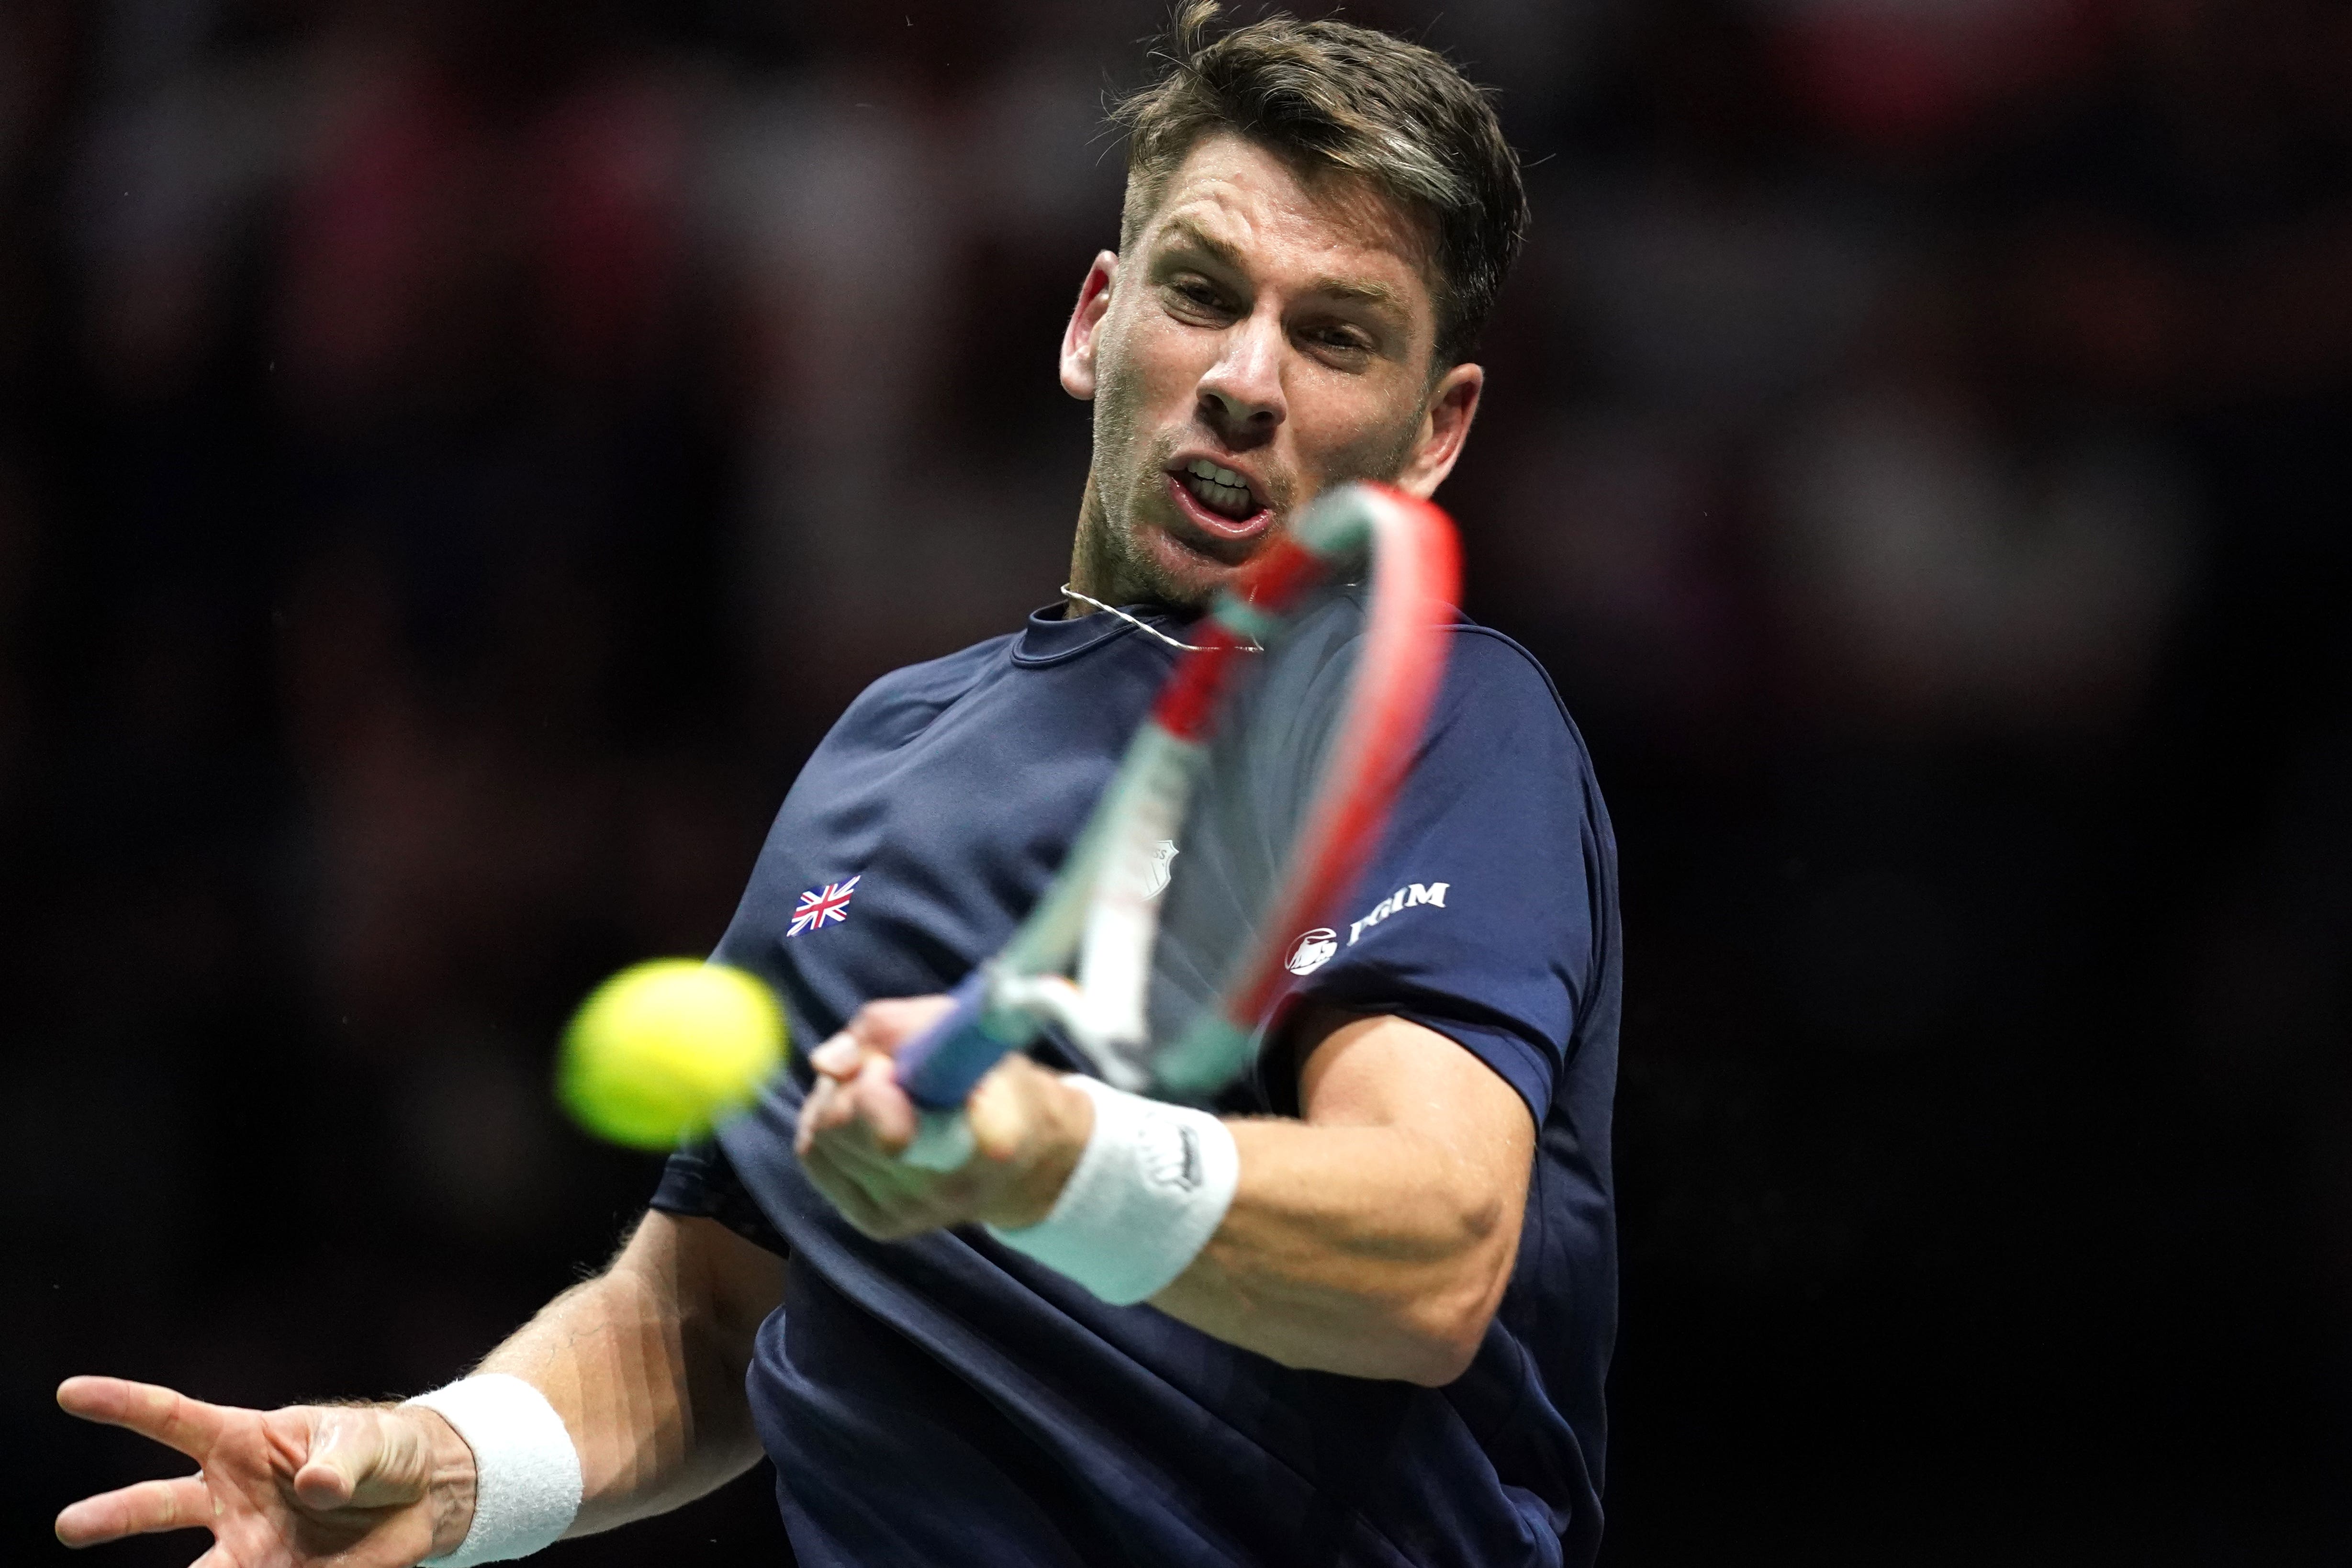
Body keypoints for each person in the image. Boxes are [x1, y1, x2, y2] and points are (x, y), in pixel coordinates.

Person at [53, 7, 1623, 1566]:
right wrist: (452, 1463)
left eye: (1335, 334)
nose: (1244, 379)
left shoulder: (1438, 717)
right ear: (1094, 321)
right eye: (1201, 294)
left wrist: (1051, 1157)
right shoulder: (887, 747)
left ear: (1437, 430)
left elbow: (1431, 1250)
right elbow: (708, 1310)